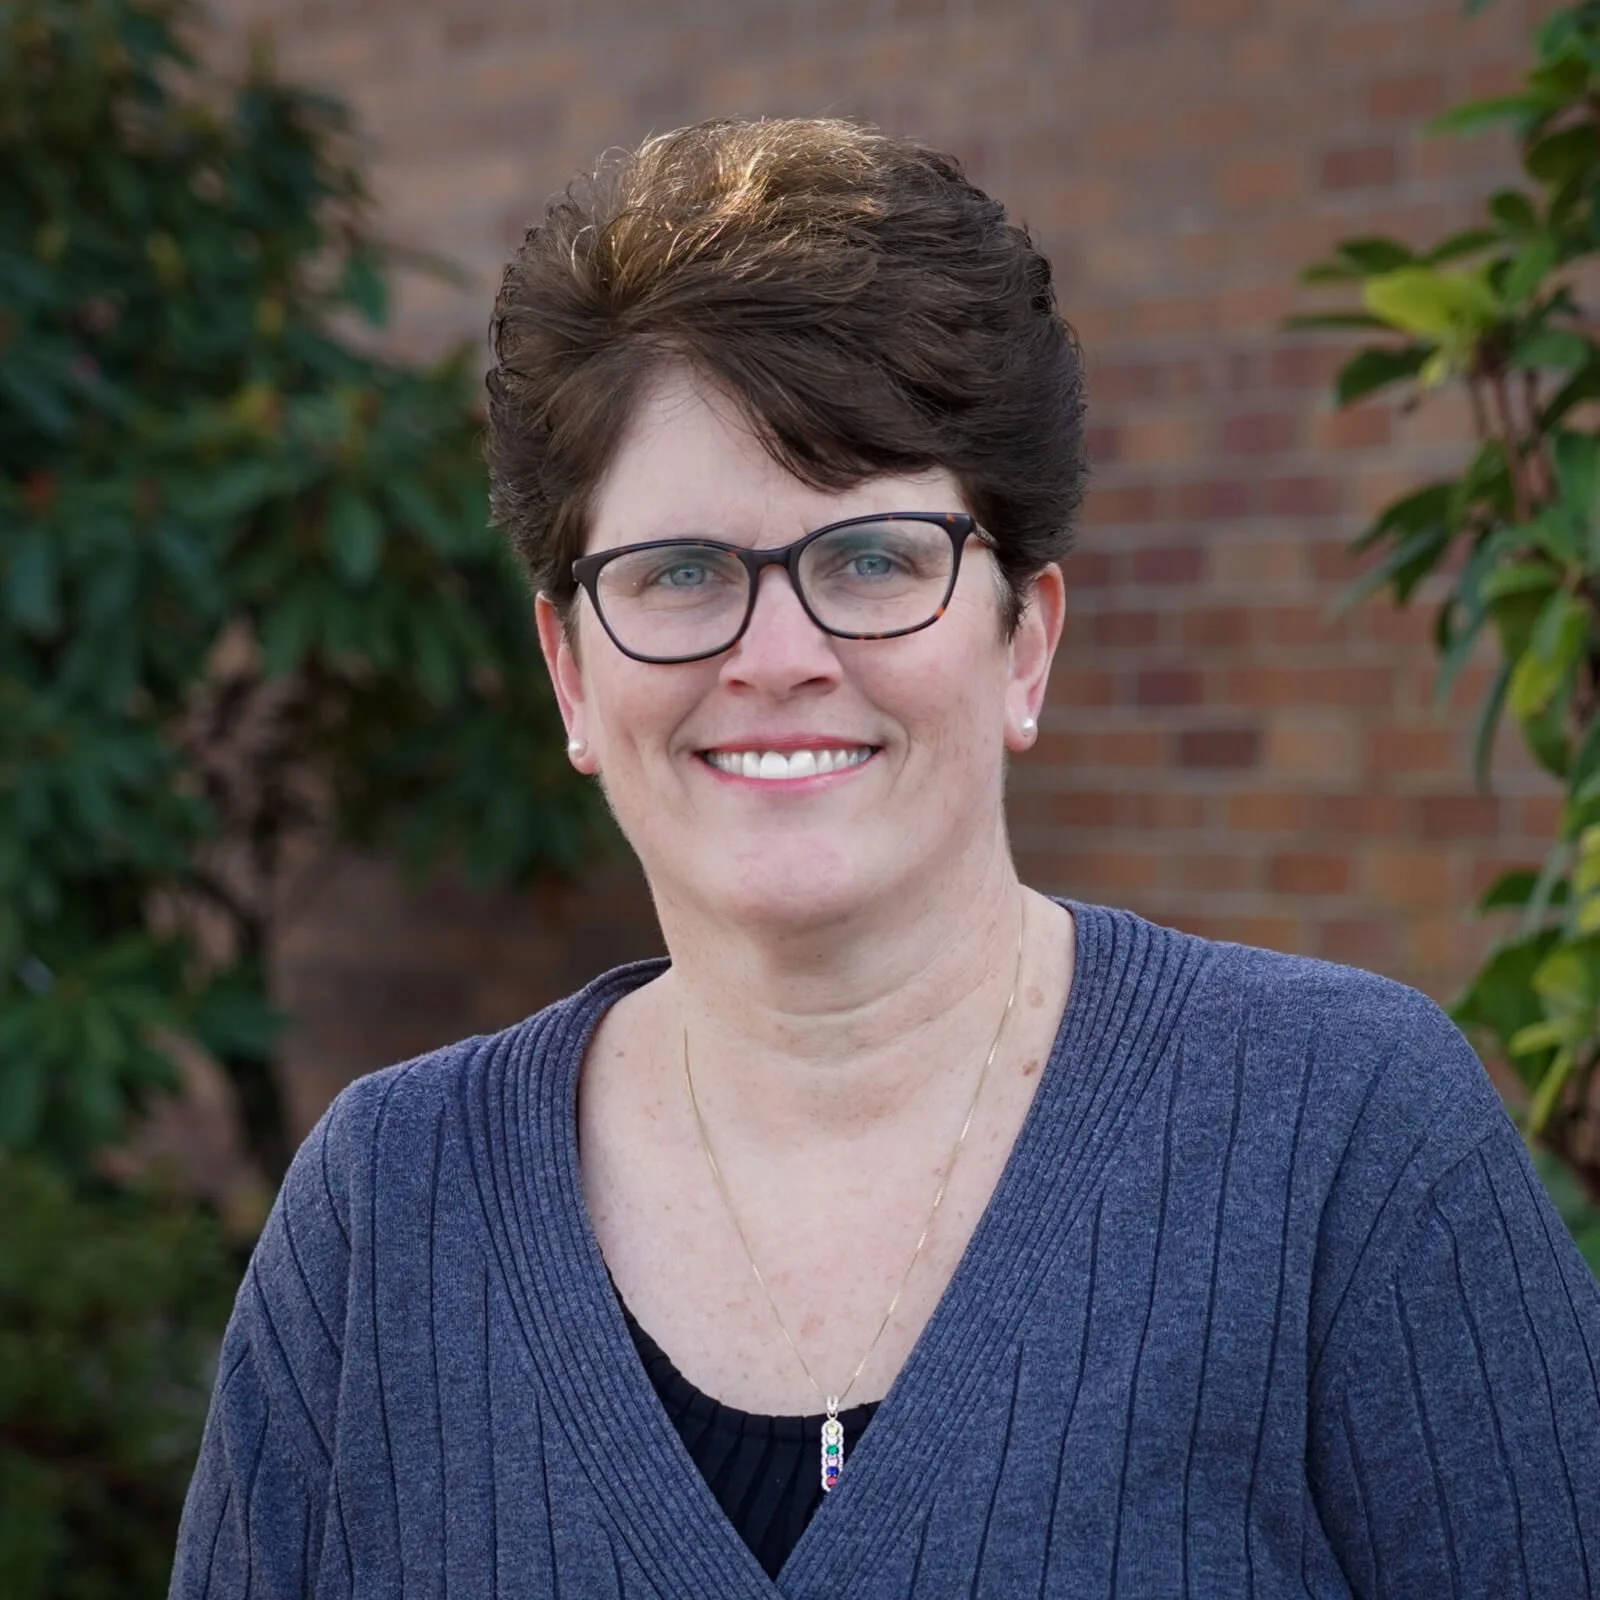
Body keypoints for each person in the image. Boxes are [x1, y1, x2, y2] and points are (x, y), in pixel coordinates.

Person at [172, 117, 1600, 1599]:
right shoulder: (386, 1214)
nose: (777, 657)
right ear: (574, 674)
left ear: (1022, 640)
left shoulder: (1344, 1135)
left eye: (871, 560)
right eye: (678, 574)